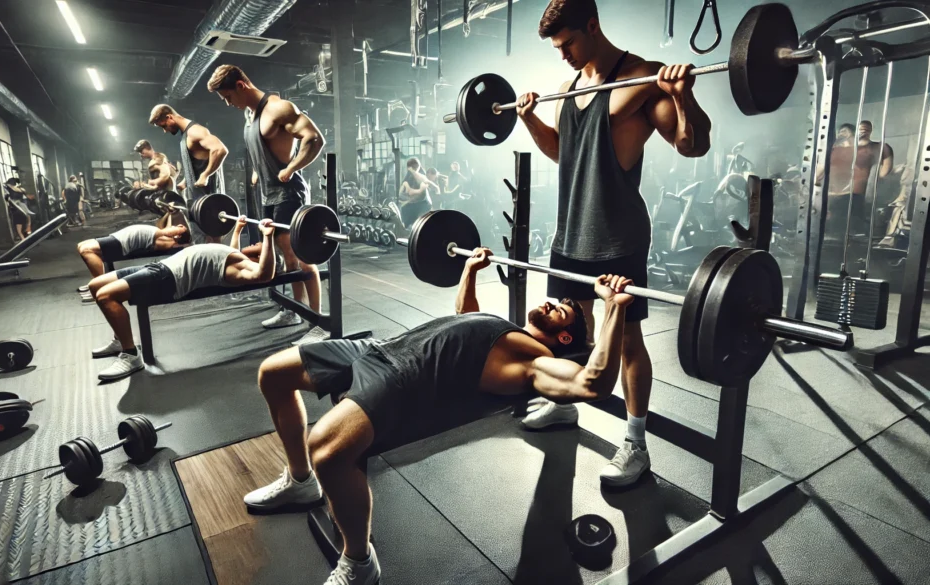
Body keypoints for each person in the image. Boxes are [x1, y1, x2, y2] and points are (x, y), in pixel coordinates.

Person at [244, 247, 632, 585]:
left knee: (327, 451)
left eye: (561, 310)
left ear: (565, 338)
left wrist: (612, 308)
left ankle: (359, 562)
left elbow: (591, 384)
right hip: (383, 348)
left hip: (404, 379)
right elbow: (464, 317)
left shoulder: (535, 362)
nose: (550, 303)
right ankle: (300, 481)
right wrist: (469, 272)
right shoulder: (508, 332)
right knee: (273, 374)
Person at [512, 0, 711, 487]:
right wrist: (531, 120)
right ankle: (564, 405)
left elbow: (693, 145)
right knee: (566, 333)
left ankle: (636, 443)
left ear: (593, 26)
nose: (563, 55)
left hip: (618, 234)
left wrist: (682, 97)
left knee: (624, 341)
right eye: (557, 48)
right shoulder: (567, 87)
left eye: (569, 44)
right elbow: (563, 152)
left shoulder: (642, 79)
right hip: (571, 230)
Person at [207, 64, 326, 340]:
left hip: (288, 192)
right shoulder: (250, 115)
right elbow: (264, 148)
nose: (228, 104)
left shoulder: (278, 109)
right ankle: (294, 310)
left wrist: (291, 168)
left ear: (241, 86)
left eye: (228, 97)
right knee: (285, 257)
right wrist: (256, 172)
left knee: (300, 255)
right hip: (268, 193)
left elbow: (314, 139)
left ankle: (317, 321)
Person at [86, 217, 277, 381]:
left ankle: (131, 354)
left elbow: (264, 275)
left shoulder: (243, 267)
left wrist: (268, 237)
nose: (255, 243)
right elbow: (234, 250)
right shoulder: (237, 257)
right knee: (95, 286)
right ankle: (120, 339)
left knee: (106, 296)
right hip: (161, 266)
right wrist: (237, 229)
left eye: (259, 245)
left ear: (261, 256)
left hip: (169, 279)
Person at [149, 104, 228, 243]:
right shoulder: (185, 136)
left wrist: (206, 175)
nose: (164, 131)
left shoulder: (195, 131)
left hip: (208, 198)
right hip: (196, 196)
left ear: (169, 117)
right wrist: (186, 181)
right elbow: (197, 162)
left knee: (211, 236)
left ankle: (216, 262)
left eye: (163, 126)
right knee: (200, 236)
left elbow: (220, 150)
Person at [75, 212, 191, 300]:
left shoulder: (166, 240)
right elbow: (167, 227)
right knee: (81, 245)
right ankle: (96, 283)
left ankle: (100, 285)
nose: (174, 226)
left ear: (177, 236)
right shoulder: (163, 234)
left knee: (86, 250)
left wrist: (181, 228)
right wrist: (170, 212)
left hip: (122, 243)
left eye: (176, 229)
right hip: (118, 236)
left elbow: (172, 233)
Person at [394, 157, 437, 229]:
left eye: (415, 167)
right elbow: (402, 193)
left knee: (420, 224)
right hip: (413, 204)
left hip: (423, 204)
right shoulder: (409, 177)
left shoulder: (420, 176)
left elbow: (424, 192)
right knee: (405, 211)